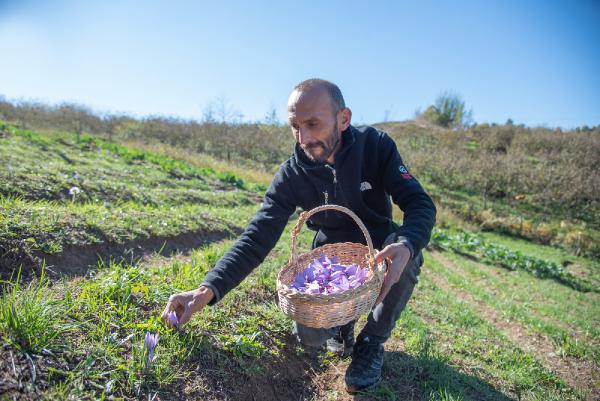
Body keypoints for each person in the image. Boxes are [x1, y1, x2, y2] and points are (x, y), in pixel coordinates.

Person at [161, 78, 436, 393]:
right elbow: (256, 236)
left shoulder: (376, 147)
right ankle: (340, 326)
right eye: (295, 126)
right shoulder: (292, 174)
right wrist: (205, 291)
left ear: (343, 119)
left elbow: (420, 204)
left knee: (406, 255)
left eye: (313, 124)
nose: (303, 137)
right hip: (330, 263)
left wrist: (406, 243)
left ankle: (371, 342)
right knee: (310, 334)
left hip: (377, 250)